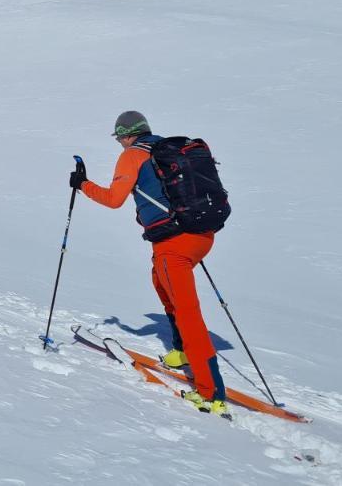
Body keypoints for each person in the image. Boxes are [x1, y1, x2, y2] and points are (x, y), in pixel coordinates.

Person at [73, 110, 228, 416]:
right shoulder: (163, 149)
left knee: (188, 313)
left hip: (175, 243)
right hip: (201, 235)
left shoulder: (133, 155)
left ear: (125, 135)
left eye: (119, 138)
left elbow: (114, 199)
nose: (119, 143)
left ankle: (211, 394)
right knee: (159, 279)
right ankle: (182, 352)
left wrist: (82, 184)